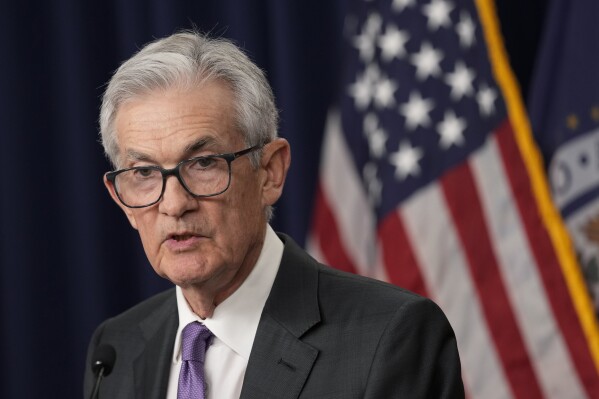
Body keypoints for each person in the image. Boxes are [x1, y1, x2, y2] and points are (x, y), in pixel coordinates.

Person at [84, 30, 464, 399]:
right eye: (145, 173)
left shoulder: (391, 337)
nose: (174, 204)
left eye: (203, 163)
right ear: (121, 198)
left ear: (270, 172)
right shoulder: (117, 349)